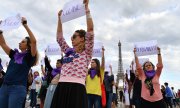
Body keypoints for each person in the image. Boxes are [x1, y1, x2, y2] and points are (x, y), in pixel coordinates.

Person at [50, 0, 94, 107]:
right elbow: (59, 38)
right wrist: (59, 19)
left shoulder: (86, 52)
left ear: (82, 39)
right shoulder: (68, 51)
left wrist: (87, 10)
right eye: (71, 37)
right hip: (61, 86)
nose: (72, 39)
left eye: (74, 37)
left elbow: (90, 30)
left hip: (77, 88)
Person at [0, 17, 38, 108]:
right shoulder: (14, 54)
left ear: (28, 46)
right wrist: (0, 31)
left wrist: (25, 25)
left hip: (17, 89)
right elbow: (2, 43)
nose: (19, 43)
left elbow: (34, 41)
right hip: (4, 87)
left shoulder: (30, 57)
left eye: (23, 42)